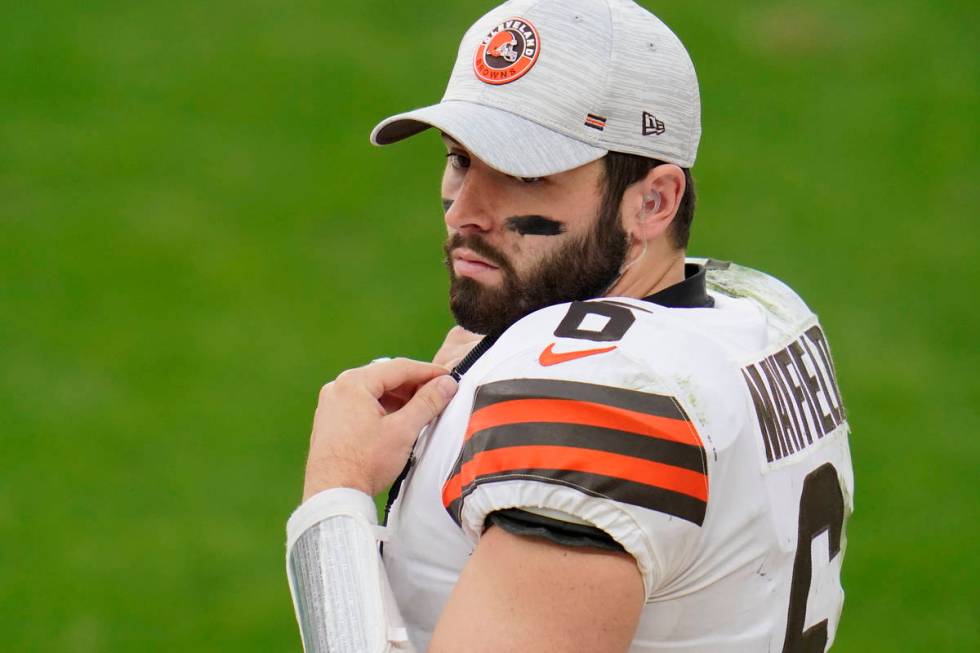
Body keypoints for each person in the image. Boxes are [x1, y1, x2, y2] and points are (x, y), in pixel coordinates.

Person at [285, 1, 854, 651]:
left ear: (653, 201)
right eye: (459, 159)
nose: (465, 211)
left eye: (526, 175)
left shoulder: (593, 401)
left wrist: (336, 490)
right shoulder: (758, 309)